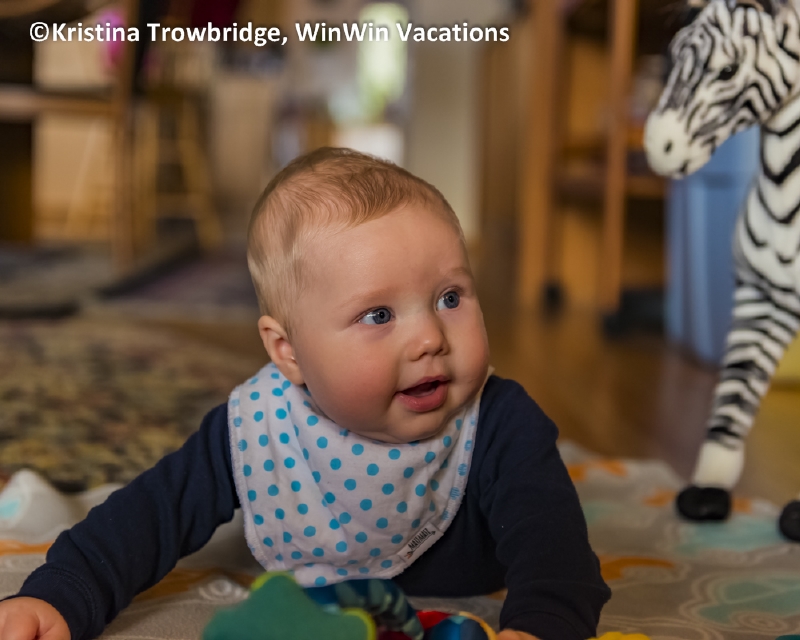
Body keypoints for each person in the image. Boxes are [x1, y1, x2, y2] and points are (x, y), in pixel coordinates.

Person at [0, 148, 610, 640]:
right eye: (378, 315)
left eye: (450, 298)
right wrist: (62, 595)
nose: (430, 337)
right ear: (288, 352)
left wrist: (541, 626)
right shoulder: (259, 427)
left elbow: (556, 552)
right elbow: (150, 514)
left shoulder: (500, 422)